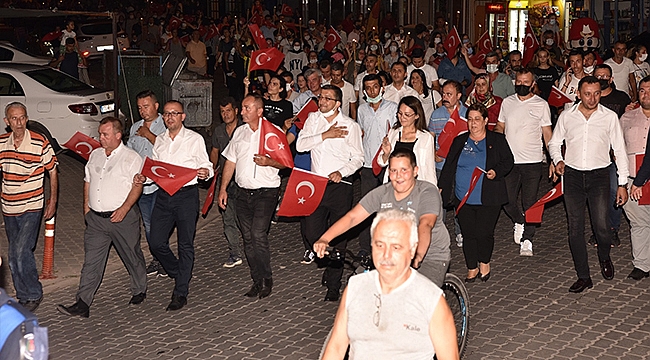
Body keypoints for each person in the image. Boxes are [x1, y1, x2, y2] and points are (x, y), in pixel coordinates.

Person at [319, 209, 459, 360]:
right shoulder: (355, 287)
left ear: (412, 250)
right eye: (380, 245)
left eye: (396, 247)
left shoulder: (431, 299)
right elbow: (336, 347)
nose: (386, 255)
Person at [57, 117, 146, 318]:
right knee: (92, 261)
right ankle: (83, 302)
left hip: (122, 218)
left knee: (131, 255)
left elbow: (137, 186)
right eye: (100, 134)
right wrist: (86, 208)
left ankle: (139, 288)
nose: (101, 137)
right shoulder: (95, 154)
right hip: (96, 219)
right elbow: (87, 181)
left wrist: (125, 208)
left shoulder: (132, 158)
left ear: (117, 135)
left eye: (105, 134)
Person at [548, 76, 629, 293]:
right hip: (573, 176)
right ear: (578, 94)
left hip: (600, 176)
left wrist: (622, 183)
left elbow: (620, 150)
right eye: (587, 93)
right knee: (575, 229)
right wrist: (558, 160)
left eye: (596, 93)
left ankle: (604, 257)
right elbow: (554, 142)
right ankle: (583, 276)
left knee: (602, 229)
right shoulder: (567, 116)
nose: (592, 98)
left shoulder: (610, 117)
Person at [142, 101, 213, 310]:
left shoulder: (194, 139)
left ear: (183, 116)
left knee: (185, 244)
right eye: (166, 114)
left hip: (186, 196)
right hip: (163, 196)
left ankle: (180, 292)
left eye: (174, 113)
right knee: (156, 242)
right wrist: (143, 178)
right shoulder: (160, 141)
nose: (170, 117)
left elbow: (206, 164)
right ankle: (178, 270)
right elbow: (156, 170)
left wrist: (205, 172)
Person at [296, 85, 364, 301]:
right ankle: (327, 259)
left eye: (327, 98)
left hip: (339, 186)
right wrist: (325, 135)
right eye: (320, 97)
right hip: (316, 184)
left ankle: (334, 284)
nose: (322, 101)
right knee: (312, 231)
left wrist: (341, 171)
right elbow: (300, 145)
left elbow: (358, 158)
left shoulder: (350, 126)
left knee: (339, 236)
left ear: (337, 103)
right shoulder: (312, 120)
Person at [219, 94, 286, 299]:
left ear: (259, 111)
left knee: (258, 234)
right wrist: (223, 189)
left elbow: (285, 163)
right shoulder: (240, 132)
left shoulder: (273, 133)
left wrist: (270, 162)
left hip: (266, 192)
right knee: (248, 238)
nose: (242, 112)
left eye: (247, 108)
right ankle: (256, 280)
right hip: (242, 193)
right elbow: (230, 161)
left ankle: (267, 278)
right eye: (242, 108)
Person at [439, 103, 514, 282]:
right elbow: (449, 166)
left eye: (477, 119)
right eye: (470, 119)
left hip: (488, 196)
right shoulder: (460, 140)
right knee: (468, 233)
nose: (473, 123)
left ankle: (484, 262)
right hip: (463, 197)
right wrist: (441, 187)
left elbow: (508, 161)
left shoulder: (497, 140)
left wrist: (495, 171)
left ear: (486, 121)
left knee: (484, 232)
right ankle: (471, 266)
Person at [0, 102, 58, 312]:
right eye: (14, 118)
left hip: (32, 205)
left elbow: (52, 171)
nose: (19, 122)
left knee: (20, 250)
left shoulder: (39, 141)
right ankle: (23, 295)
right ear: (7, 122)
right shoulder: (2, 143)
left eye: (22, 117)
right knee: (15, 254)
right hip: (9, 207)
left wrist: (53, 200)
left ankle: (33, 293)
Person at [494, 69, 553, 256]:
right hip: (510, 162)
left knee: (530, 202)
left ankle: (528, 239)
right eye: (518, 81)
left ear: (532, 83)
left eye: (525, 82)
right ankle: (519, 220)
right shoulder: (507, 103)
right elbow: (500, 126)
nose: (521, 85)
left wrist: (553, 158)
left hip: (533, 162)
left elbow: (547, 133)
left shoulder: (541, 105)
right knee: (506, 199)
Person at [356, 74, 399, 260]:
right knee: (367, 206)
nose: (372, 91)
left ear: (382, 88)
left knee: (387, 207)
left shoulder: (392, 108)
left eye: (375, 86)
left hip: (386, 164)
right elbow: (361, 134)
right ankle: (365, 247)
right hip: (367, 164)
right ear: (364, 91)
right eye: (368, 88)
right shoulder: (361, 110)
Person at [127, 90, 167, 277]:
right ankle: (158, 258)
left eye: (146, 106)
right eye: (140, 108)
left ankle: (163, 259)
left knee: (160, 224)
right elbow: (129, 154)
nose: (143, 111)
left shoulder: (166, 125)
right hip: (142, 187)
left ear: (156, 106)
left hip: (160, 185)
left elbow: (168, 150)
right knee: (149, 225)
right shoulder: (135, 127)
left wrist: (148, 134)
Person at [621, 75, 650, 280]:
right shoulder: (627, 117)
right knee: (639, 223)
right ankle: (642, 265)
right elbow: (617, 148)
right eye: (642, 91)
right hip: (633, 179)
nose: (646, 94)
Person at [210, 97, 244, 268]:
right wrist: (211, 169)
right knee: (228, 218)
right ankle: (235, 252)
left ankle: (252, 247)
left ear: (236, 111)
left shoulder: (245, 129)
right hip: (226, 180)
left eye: (229, 110)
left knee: (244, 217)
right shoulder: (219, 131)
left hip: (244, 180)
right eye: (222, 111)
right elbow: (215, 152)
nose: (225, 114)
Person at [378, 96, 437, 186]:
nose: (402, 117)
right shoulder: (393, 132)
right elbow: (381, 162)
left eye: (407, 114)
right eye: (400, 113)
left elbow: (429, 168)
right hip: (394, 183)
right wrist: (386, 153)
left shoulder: (426, 137)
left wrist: (432, 192)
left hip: (414, 186)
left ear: (417, 116)